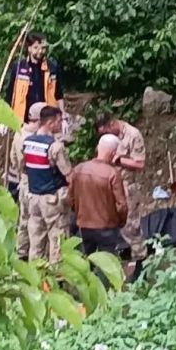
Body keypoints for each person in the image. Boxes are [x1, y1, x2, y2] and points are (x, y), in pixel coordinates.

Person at [96, 112, 147, 282]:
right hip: (109, 185)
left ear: (112, 124)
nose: (104, 136)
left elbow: (140, 163)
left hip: (126, 187)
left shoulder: (132, 135)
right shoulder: (106, 137)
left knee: (130, 226)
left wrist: (119, 161)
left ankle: (141, 261)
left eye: (105, 132)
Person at [24, 105, 72, 263]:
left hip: (33, 197)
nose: (61, 124)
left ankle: (35, 272)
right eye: (59, 121)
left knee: (36, 241)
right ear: (50, 123)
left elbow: (23, 168)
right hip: (52, 199)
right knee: (58, 240)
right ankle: (57, 274)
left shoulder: (27, 143)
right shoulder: (55, 146)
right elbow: (68, 174)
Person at [69, 134, 128, 255]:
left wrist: (79, 214)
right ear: (113, 153)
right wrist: (121, 222)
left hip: (84, 225)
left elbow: (70, 198)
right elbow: (121, 205)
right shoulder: (112, 174)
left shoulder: (79, 169)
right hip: (107, 226)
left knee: (85, 259)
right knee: (107, 261)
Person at [9, 101, 46, 259]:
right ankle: (34, 257)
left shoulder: (19, 132)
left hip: (23, 181)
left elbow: (13, 158)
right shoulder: (32, 139)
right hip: (33, 182)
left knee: (23, 220)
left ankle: (21, 253)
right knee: (35, 222)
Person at [5, 32, 64, 124]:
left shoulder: (52, 67)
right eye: (36, 48)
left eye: (43, 48)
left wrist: (63, 117)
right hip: (23, 120)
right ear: (29, 48)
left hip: (47, 120)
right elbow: (10, 95)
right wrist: (5, 119)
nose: (40, 51)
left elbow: (59, 95)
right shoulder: (19, 67)